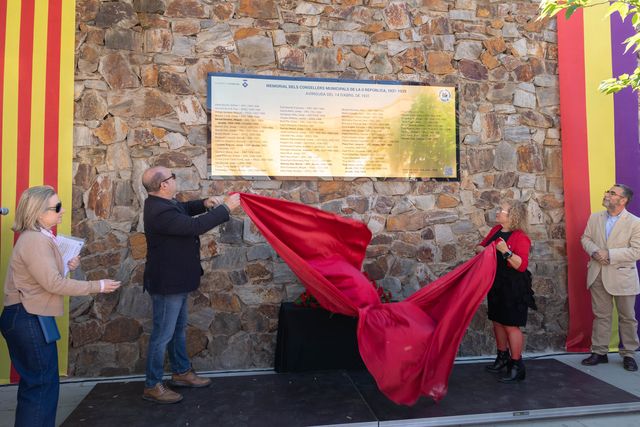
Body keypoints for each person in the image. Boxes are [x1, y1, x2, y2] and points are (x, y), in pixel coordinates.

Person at [0, 186, 120, 427]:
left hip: (27, 316)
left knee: (37, 386)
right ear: (37, 213)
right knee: (41, 388)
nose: (62, 210)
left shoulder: (39, 237)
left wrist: (66, 265)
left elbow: (42, 278)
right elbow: (53, 283)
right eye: (56, 207)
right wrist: (97, 285)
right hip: (28, 317)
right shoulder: (35, 240)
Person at [141, 166, 241, 404]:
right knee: (162, 335)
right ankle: (152, 385)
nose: (175, 179)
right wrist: (226, 208)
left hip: (177, 280)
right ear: (163, 185)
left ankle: (181, 372)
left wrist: (204, 203)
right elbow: (194, 227)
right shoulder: (159, 212)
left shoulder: (165, 203)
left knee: (177, 328)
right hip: (168, 283)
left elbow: (184, 209)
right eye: (172, 177)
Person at [475, 199, 537, 383]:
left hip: (514, 286)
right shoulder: (495, 230)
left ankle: (517, 365)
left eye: (501, 210)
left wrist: (505, 252)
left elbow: (522, 265)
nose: (497, 211)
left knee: (510, 324)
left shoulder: (520, 237)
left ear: (513, 216)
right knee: (497, 322)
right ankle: (502, 358)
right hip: (496, 282)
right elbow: (479, 247)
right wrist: (489, 249)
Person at [580, 184, 640, 371]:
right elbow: (585, 239)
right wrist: (596, 252)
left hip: (623, 277)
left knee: (628, 317)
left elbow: (637, 250)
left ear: (623, 200)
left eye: (612, 193)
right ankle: (599, 352)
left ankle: (629, 354)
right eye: (608, 191)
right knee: (601, 316)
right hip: (597, 273)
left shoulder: (635, 222)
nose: (607, 194)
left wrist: (610, 254)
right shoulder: (595, 217)